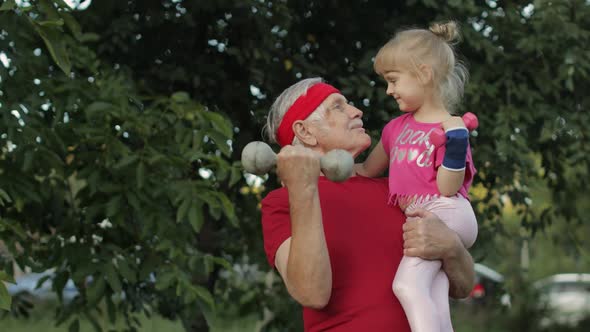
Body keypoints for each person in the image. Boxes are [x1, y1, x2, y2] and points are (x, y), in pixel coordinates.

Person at [260, 77, 475, 331]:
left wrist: (451, 247)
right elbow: (312, 294)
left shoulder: (396, 191)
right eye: (338, 107)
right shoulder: (282, 202)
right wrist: (302, 188)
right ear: (306, 132)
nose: (356, 110)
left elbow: (463, 287)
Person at [354, 21, 478, 331]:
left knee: (406, 286)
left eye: (393, 80)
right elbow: (368, 170)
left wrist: (455, 147)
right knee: (433, 292)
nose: (389, 90)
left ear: (424, 74)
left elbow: (448, 188)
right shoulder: (395, 129)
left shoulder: (452, 128)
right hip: (423, 216)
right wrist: (324, 166)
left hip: (447, 212)